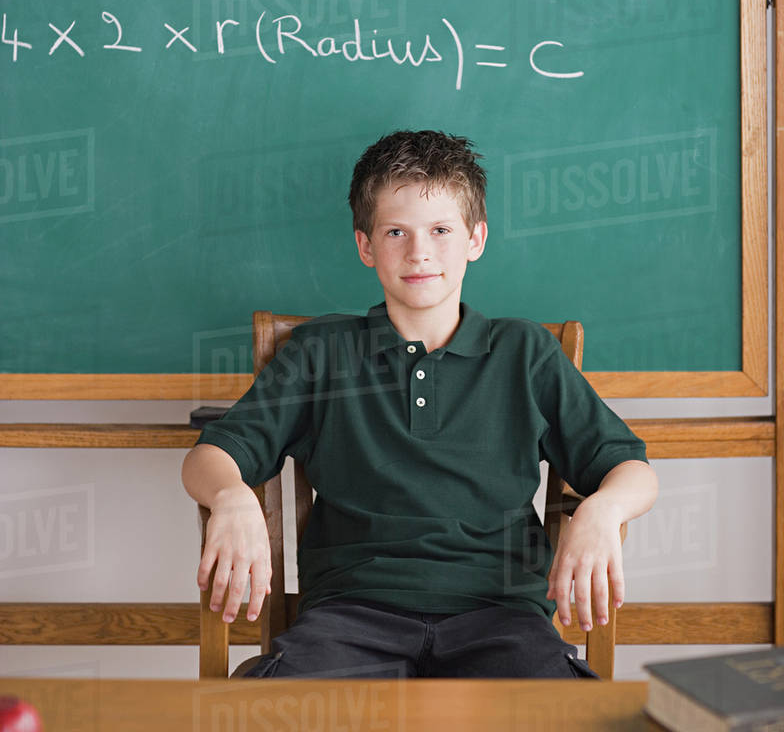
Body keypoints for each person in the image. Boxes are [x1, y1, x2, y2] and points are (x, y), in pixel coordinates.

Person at [181, 129, 658, 679]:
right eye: (395, 232)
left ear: (475, 238)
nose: (420, 252)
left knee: (576, 718)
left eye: (440, 230)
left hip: (501, 619)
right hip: (349, 619)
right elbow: (208, 457)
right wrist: (231, 495)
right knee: (266, 716)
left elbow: (633, 470)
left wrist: (603, 509)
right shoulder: (323, 353)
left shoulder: (524, 353)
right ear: (365, 245)